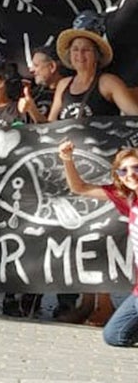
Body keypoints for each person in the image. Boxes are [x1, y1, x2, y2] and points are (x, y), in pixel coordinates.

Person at [59, 138, 138, 346]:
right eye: (123, 171)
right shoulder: (128, 199)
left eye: (135, 168)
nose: (130, 174)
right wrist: (67, 159)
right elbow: (80, 188)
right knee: (114, 336)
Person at [47, 12, 138, 120]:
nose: (80, 54)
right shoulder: (63, 85)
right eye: (75, 49)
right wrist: (31, 108)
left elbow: (135, 116)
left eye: (86, 50)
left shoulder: (109, 83)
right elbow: (50, 126)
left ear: (96, 55)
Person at [27, 45, 65, 119]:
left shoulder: (68, 93)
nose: (31, 70)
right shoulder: (35, 94)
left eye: (36, 65)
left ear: (52, 66)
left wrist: (32, 110)